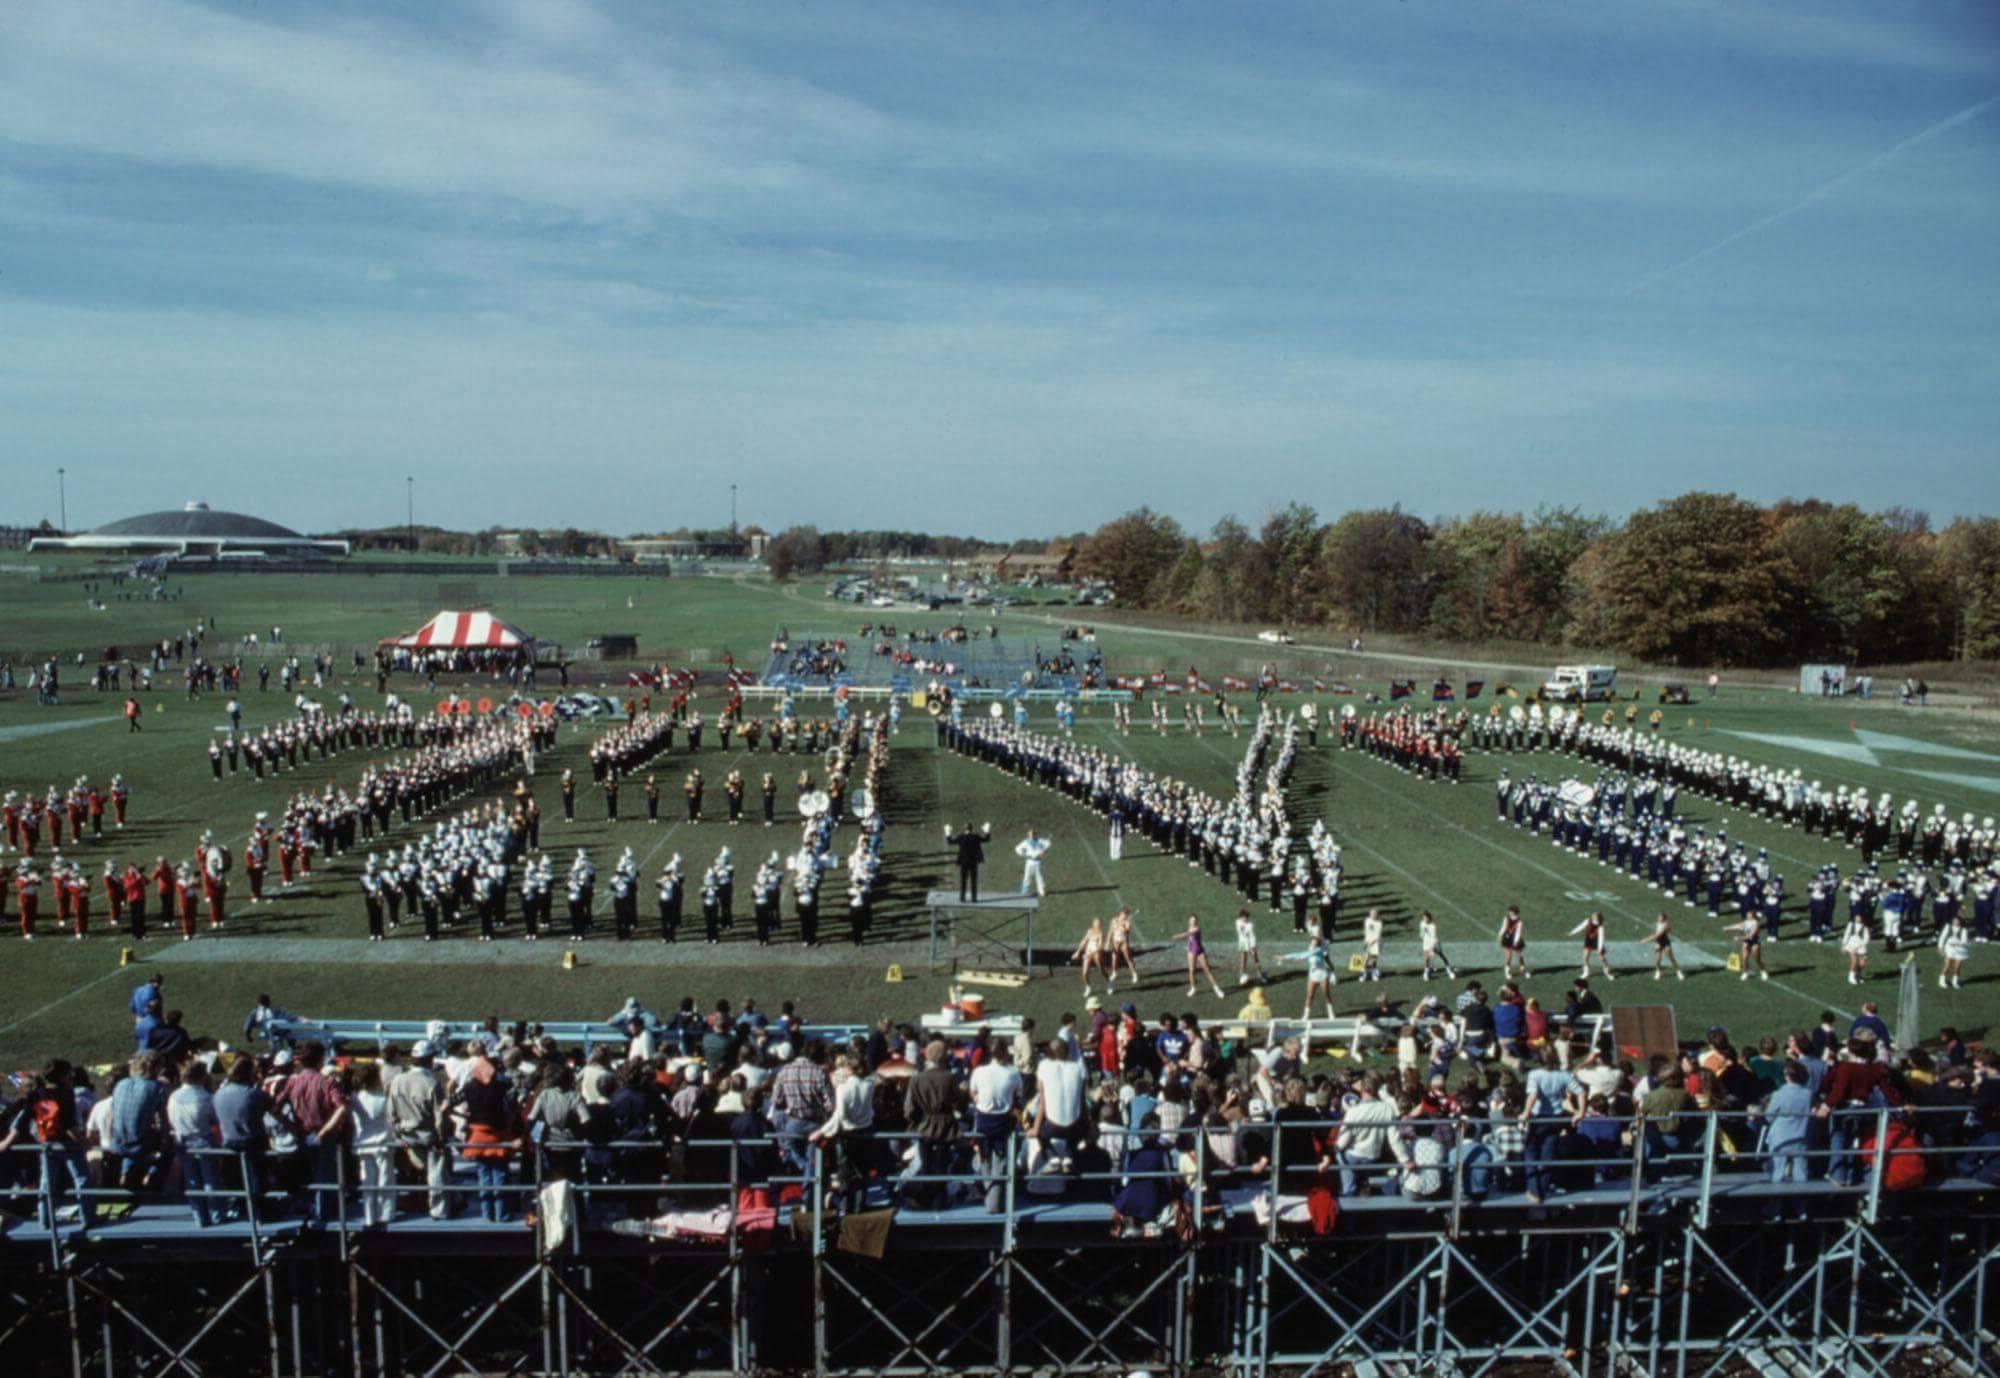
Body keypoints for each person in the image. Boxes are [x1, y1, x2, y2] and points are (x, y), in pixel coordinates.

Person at [167, 1061, 221, 1227]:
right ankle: (216, 1214)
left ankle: (199, 1216)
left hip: (182, 1140)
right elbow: (214, 1119)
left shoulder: (173, 1096)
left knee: (192, 1180)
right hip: (203, 1139)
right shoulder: (206, 1097)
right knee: (210, 1180)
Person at [1183, 913, 1226, 999]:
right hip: (1191, 952)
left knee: (1207, 970)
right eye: (1191, 921)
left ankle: (1217, 989)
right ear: (1189, 921)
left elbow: (1188, 934)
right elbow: (1190, 939)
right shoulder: (1190, 928)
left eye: (1194, 921)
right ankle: (1193, 988)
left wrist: (1177, 936)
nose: (1193, 922)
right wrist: (1188, 947)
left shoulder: (1197, 929)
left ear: (1196, 922)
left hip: (1199, 952)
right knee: (1191, 971)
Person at [947, 822, 990, 902]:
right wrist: (986, 831)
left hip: (964, 862)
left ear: (964, 829)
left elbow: (950, 842)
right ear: (971, 828)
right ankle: (974, 898)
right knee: (974, 880)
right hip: (974, 862)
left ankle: (962, 898)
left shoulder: (961, 837)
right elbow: (986, 839)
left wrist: (948, 832)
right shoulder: (976, 837)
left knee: (963, 880)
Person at [1569, 911, 1615, 981]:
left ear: (1598, 918)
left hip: (1597, 942)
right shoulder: (1588, 921)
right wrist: (1572, 932)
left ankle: (1607, 972)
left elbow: (1601, 938)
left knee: (1602, 959)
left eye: (1595, 916)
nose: (1593, 917)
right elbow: (1580, 927)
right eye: (1593, 916)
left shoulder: (1600, 927)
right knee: (1585, 957)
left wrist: (1599, 949)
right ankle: (1586, 972)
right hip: (1589, 941)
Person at [1072, 916, 1109, 995]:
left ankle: (1109, 982)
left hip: (1096, 953)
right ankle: (1088, 987)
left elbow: (1100, 946)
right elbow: (1084, 941)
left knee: (1101, 969)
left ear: (1100, 924)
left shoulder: (1101, 933)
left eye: (1099, 923)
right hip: (1088, 953)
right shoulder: (1089, 931)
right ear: (1093, 923)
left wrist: (1091, 953)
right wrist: (1077, 952)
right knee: (1084, 972)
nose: (1097, 924)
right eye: (1096, 923)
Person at [1419, 910, 1457, 982]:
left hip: (1434, 943)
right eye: (1423, 918)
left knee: (1441, 956)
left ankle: (1449, 971)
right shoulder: (1422, 923)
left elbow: (1434, 938)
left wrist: (1431, 949)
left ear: (1429, 918)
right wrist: (1422, 938)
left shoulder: (1433, 926)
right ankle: (1426, 973)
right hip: (1426, 943)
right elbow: (1421, 933)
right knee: (1426, 958)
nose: (1424, 919)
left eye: (1426, 918)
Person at [1234, 908, 1268, 986]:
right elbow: (1241, 933)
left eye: (1246, 917)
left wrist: (1252, 947)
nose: (1245, 918)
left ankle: (1261, 975)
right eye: (1243, 917)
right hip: (1242, 943)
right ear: (1240, 916)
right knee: (1243, 959)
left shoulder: (1250, 925)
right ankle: (1242, 975)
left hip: (1250, 943)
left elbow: (1252, 937)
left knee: (1255, 959)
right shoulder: (1237, 922)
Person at [1498, 905, 1531, 980]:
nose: (1509, 912)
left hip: (1515, 939)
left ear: (1515, 912)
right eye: (1509, 911)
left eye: (1510, 911)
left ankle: (1523, 970)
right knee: (1508, 956)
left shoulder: (1519, 922)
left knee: (1519, 956)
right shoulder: (1506, 918)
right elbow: (1503, 927)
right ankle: (1507, 971)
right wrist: (1500, 936)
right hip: (1506, 938)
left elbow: (1518, 933)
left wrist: (1516, 942)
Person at [1015, 828, 1050, 898]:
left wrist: (1044, 851)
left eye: (1033, 834)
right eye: (1031, 834)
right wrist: (1025, 855)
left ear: (1035, 834)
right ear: (1028, 835)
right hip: (1029, 862)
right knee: (1027, 877)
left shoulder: (1040, 841)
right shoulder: (1025, 842)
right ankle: (1024, 892)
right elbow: (1017, 849)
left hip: (1037, 862)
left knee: (1039, 877)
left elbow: (1048, 843)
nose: (1032, 835)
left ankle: (1042, 891)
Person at [1650, 911, 1684, 980]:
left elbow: (1657, 935)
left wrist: (1645, 940)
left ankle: (1678, 971)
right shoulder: (1658, 923)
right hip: (1659, 942)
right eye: (1658, 917)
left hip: (1665, 942)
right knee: (1657, 959)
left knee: (1671, 958)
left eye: (1660, 917)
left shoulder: (1665, 925)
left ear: (1663, 918)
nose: (1659, 918)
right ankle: (1658, 972)